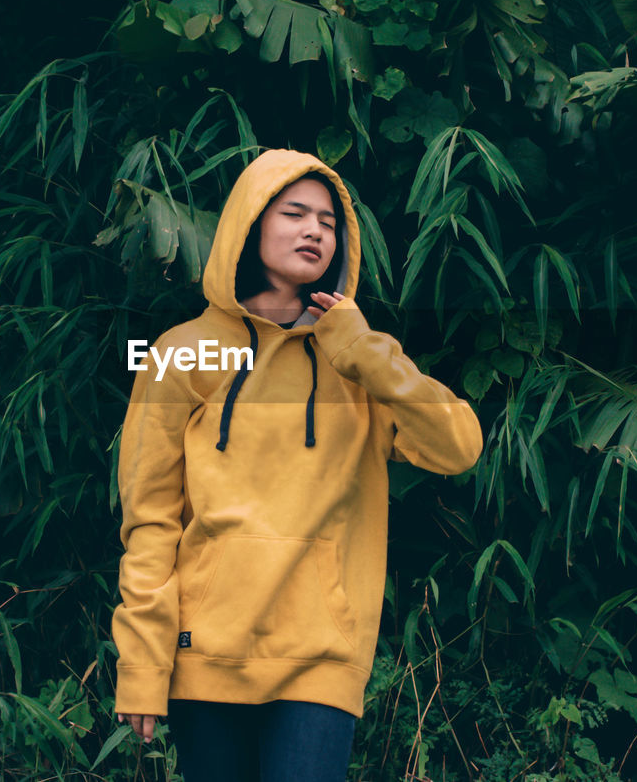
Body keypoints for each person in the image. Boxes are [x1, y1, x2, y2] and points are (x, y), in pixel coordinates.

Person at [111, 149, 482, 780]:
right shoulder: (182, 353)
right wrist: (143, 663)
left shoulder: (361, 358)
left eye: (328, 222)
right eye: (294, 213)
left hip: (322, 656)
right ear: (250, 225)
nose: (315, 229)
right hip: (206, 654)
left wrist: (360, 347)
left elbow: (458, 447)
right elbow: (150, 521)